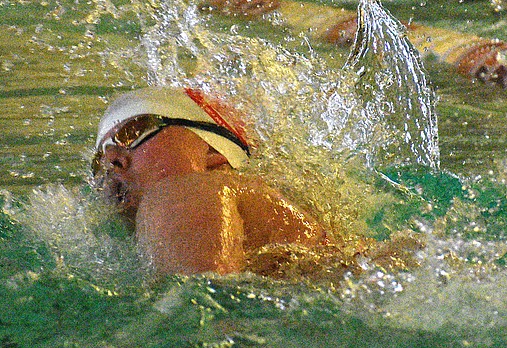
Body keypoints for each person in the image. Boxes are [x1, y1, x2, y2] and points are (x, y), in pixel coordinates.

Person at [92, 86, 343, 277]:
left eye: (133, 133)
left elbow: (198, 314)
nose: (110, 161)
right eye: (98, 160)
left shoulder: (185, 191)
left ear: (213, 152)